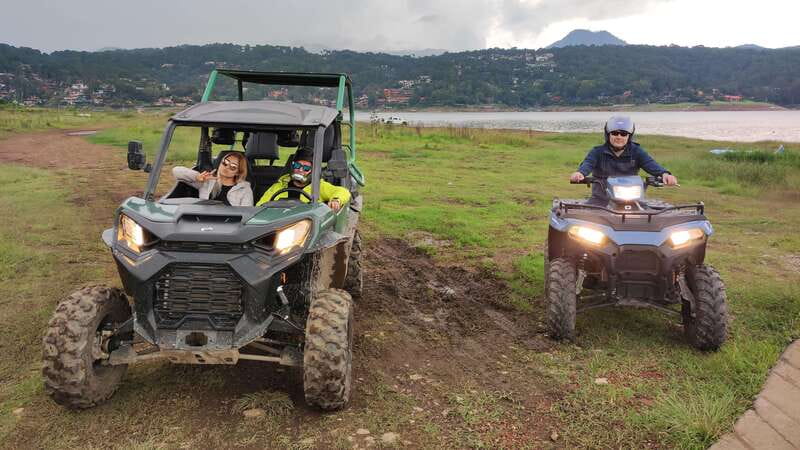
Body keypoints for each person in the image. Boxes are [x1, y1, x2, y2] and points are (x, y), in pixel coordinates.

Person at [570, 116, 678, 205]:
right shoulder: (597, 152)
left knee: (650, 222)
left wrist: (665, 174)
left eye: (623, 134)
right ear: (608, 135)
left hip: (633, 200)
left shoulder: (637, 151)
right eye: (615, 133)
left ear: (629, 136)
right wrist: (580, 173)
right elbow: (588, 163)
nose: (619, 137)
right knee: (586, 222)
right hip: (601, 199)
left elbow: (650, 163)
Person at [256, 148, 350, 209]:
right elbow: (260, 205)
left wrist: (336, 200)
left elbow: (344, 192)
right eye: (297, 165)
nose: (300, 170)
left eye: (306, 168)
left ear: (312, 170)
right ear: (292, 166)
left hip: (305, 227)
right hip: (278, 225)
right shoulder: (280, 185)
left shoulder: (318, 186)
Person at [172, 152, 253, 206]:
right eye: (225, 162)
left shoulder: (244, 189)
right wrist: (197, 177)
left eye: (233, 167)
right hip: (203, 222)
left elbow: (246, 213)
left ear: (238, 172)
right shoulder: (206, 181)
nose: (226, 167)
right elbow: (176, 171)